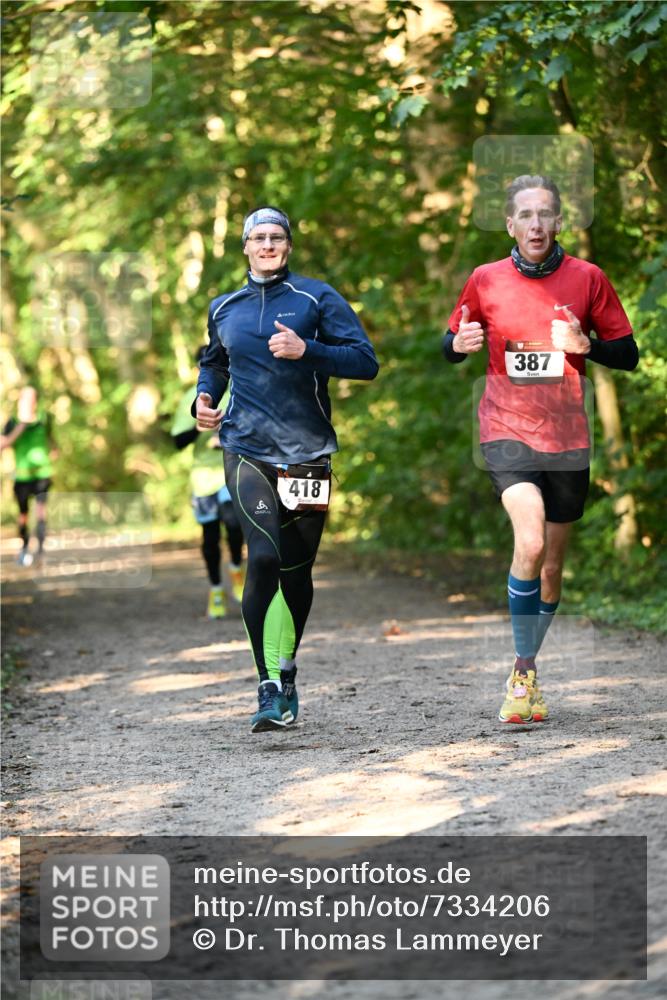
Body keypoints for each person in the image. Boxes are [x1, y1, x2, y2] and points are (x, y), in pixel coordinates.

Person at [443, 175, 638, 724]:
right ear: (510, 224)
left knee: (551, 569)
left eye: (544, 214)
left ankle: (526, 664)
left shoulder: (588, 279)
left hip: (568, 441)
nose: (535, 224)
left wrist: (586, 345)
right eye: (524, 215)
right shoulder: (485, 280)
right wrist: (458, 344)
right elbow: (452, 342)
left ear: (558, 223)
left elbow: (628, 353)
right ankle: (524, 672)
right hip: (506, 430)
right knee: (528, 541)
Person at [194, 205, 379, 732]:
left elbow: (365, 361)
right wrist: (205, 398)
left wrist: (309, 350)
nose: (269, 244)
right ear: (246, 247)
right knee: (264, 559)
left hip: (307, 452)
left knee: (297, 572)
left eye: (278, 237)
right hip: (246, 447)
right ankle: (267, 685)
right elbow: (215, 361)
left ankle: (289, 669)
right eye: (259, 237)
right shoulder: (223, 306)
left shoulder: (316, 298)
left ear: (289, 246)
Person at [171, 347, 245, 619]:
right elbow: (177, 442)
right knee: (210, 537)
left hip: (231, 471)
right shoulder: (190, 399)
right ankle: (216, 590)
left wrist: (225, 436)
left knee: (234, 524)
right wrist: (197, 428)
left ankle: (237, 569)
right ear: (197, 369)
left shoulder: (236, 390)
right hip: (202, 478)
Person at [1, 386, 55, 567]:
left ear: (36, 401)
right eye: (25, 399)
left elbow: (51, 439)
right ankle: (24, 548)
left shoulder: (44, 419)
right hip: (22, 477)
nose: (29, 403)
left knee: (41, 512)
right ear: (20, 401)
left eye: (32, 399)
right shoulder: (12, 422)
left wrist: (53, 451)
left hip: (42, 474)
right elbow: (3, 444)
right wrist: (21, 427)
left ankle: (40, 550)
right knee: (23, 514)